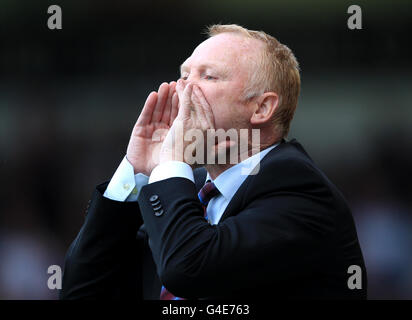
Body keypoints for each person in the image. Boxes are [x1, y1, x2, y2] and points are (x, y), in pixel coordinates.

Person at [60, 24, 367, 299]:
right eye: (183, 75)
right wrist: (138, 171)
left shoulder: (298, 188)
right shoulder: (179, 187)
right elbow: (81, 292)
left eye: (208, 76)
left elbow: (188, 269)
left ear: (261, 108)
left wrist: (171, 162)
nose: (184, 88)